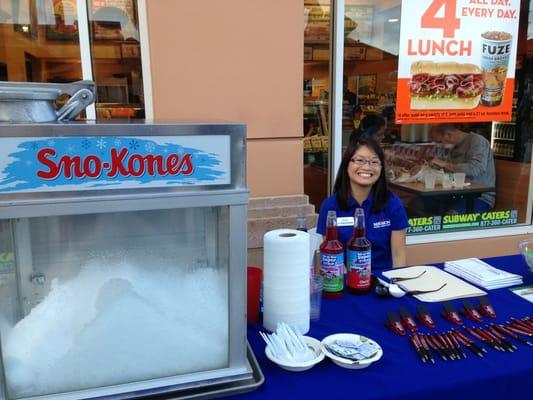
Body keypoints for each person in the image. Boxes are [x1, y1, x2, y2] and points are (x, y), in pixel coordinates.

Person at [316, 135, 409, 269]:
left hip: (383, 281)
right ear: (347, 165)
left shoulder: (392, 203)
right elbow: (331, 257)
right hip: (345, 282)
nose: (367, 167)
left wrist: (396, 285)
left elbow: (399, 255)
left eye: (374, 162)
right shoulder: (331, 206)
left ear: (381, 168)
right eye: (359, 160)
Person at [430, 123, 496, 213]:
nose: (440, 145)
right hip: (455, 194)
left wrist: (444, 164)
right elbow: (445, 169)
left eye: (440, 141)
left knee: (451, 215)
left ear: (448, 135)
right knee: (417, 204)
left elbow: (474, 169)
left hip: (478, 197)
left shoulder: (477, 141)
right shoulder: (451, 146)